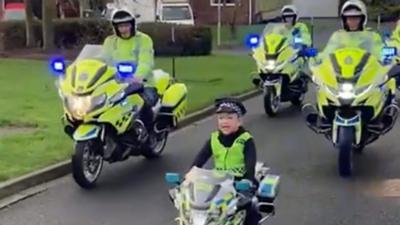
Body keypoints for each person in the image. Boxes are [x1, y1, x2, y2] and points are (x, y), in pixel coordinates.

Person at [191, 97, 259, 225]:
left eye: (229, 118)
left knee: (250, 208)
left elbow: (250, 162)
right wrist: (190, 174)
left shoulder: (246, 139)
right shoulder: (214, 138)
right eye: (221, 118)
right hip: (219, 181)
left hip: (240, 182)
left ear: (239, 121)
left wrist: (247, 181)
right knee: (203, 205)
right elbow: (201, 158)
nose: (224, 122)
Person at [100, 8, 158, 136]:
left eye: (126, 25)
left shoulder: (143, 39)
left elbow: (146, 61)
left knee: (143, 104)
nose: (124, 29)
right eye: (120, 26)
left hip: (143, 84)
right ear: (115, 27)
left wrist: (137, 77)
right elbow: (103, 61)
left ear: (132, 25)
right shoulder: (110, 41)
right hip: (116, 84)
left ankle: (149, 134)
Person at [320, 0, 384, 59]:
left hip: (366, 70)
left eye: (356, 18)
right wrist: (316, 59)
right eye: (349, 19)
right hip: (341, 70)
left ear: (362, 19)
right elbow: (326, 55)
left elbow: (380, 54)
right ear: (344, 20)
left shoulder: (372, 36)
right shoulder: (338, 36)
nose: (352, 22)